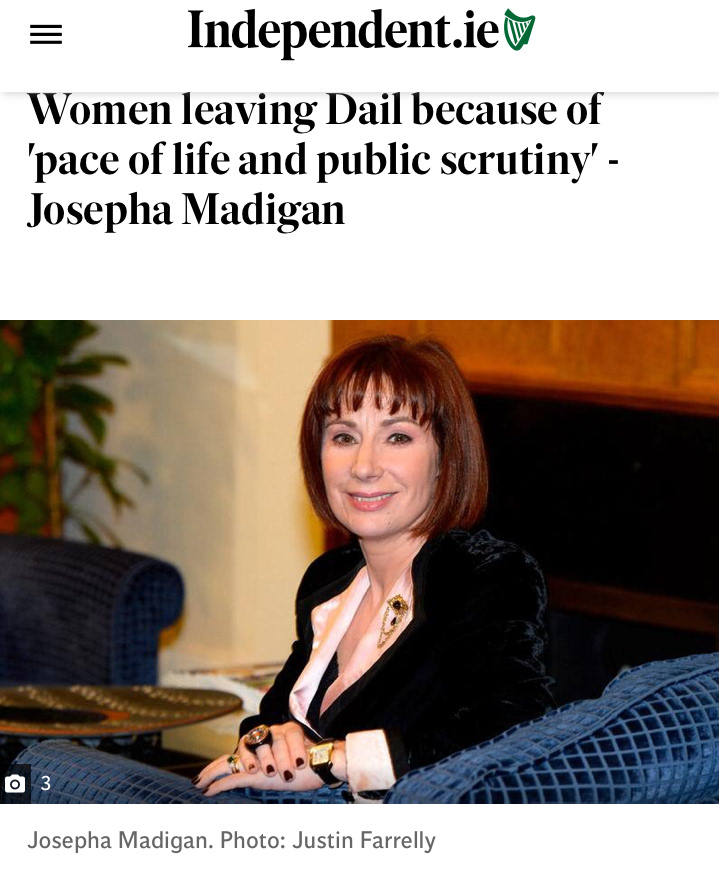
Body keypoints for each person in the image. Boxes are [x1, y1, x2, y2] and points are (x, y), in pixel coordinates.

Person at [194, 335, 553, 800]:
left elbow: (514, 730)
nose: (363, 466)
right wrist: (267, 743)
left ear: (445, 458)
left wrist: (336, 759)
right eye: (344, 437)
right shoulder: (329, 580)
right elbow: (272, 720)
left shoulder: (485, 575)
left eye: (397, 437)